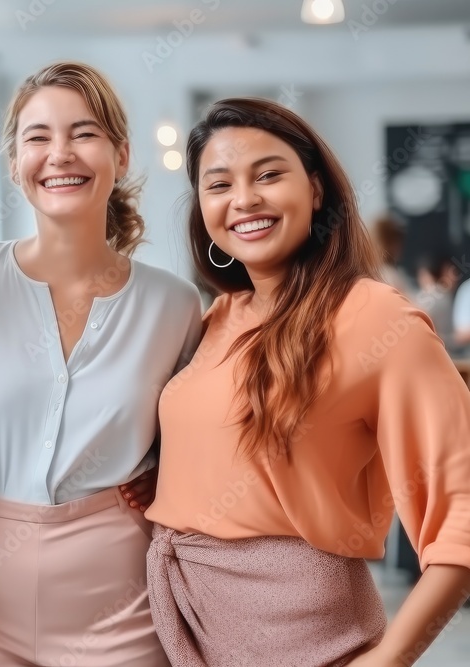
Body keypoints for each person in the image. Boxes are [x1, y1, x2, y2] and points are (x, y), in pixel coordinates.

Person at [145, 97, 470, 666]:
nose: (244, 199)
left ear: (316, 190)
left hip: (303, 633)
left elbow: (461, 507)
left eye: (268, 174)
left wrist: (391, 658)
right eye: (218, 184)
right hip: (184, 621)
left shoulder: (375, 318)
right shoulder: (218, 318)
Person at [0, 61, 201, 667]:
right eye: (38, 137)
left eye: (83, 133)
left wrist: (166, 475)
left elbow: (196, 436)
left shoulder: (174, 303)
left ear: (121, 155)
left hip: (119, 593)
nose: (61, 154)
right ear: (13, 162)